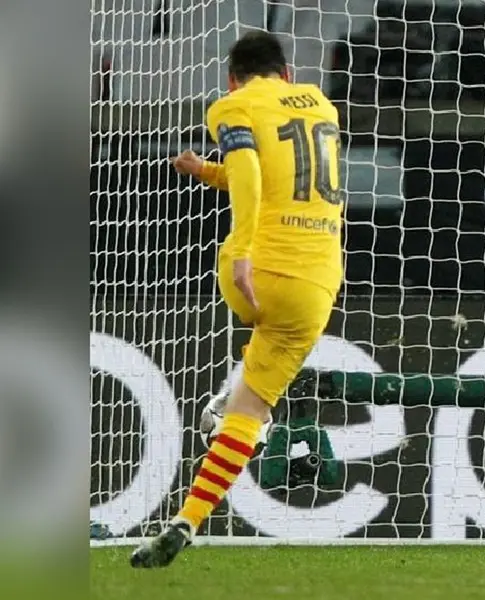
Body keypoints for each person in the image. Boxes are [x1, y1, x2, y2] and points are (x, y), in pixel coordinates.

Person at [130, 30, 345, 568]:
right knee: (251, 409)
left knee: (248, 364)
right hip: (318, 284)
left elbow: (251, 176)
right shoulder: (322, 104)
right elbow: (280, 174)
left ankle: (229, 406)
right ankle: (189, 518)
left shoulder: (232, 105)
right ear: (287, 74)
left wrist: (244, 249)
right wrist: (205, 171)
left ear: (232, 78)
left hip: (256, 270)